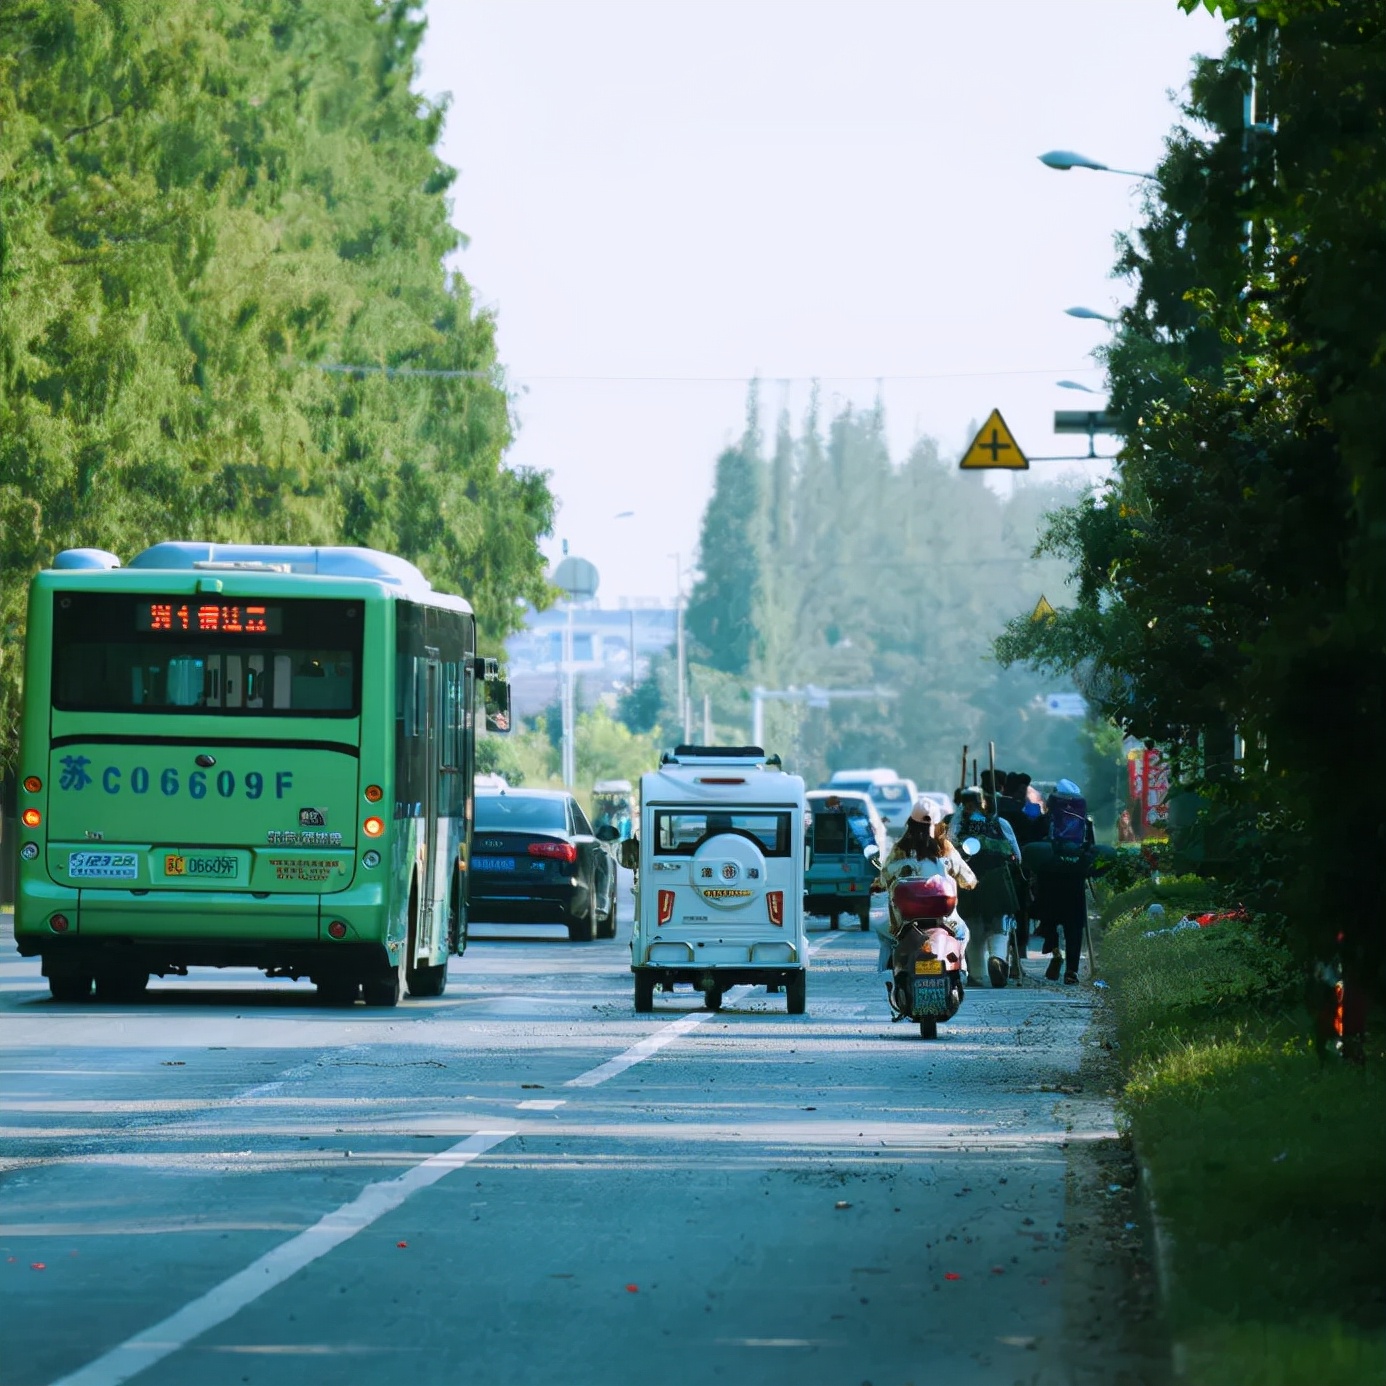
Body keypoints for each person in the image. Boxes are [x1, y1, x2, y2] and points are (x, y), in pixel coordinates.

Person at [872, 798, 976, 974]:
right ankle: (961, 969)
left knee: (884, 935)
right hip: (944, 920)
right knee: (962, 933)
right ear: (938, 824)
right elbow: (969, 880)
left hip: (904, 922)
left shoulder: (900, 850)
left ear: (911, 823)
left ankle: (886, 972)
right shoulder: (946, 850)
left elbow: (883, 879)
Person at [1027, 777, 1097, 984]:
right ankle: (1072, 970)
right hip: (1075, 880)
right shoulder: (1085, 823)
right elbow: (1090, 850)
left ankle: (1056, 951)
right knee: (1074, 927)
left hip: (1049, 881)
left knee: (1048, 919)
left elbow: (1032, 849)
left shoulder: (1044, 821)